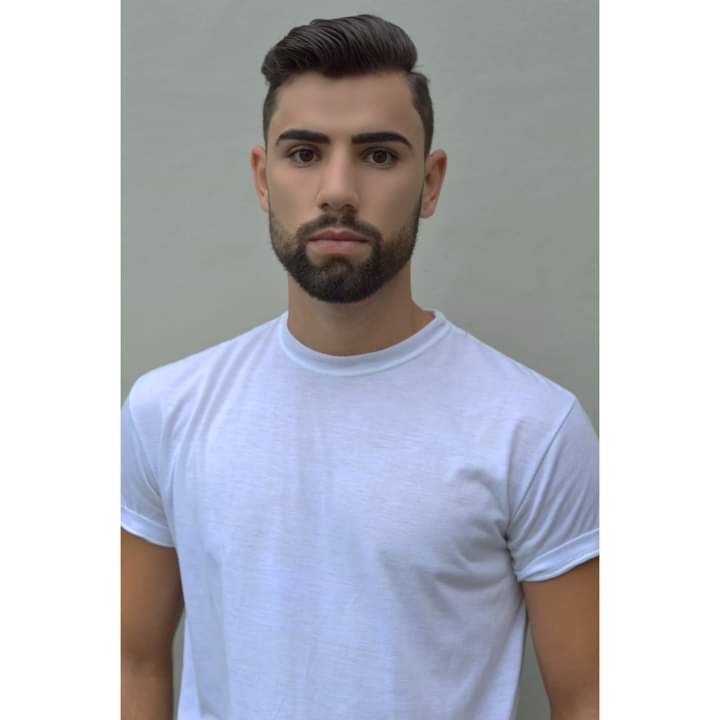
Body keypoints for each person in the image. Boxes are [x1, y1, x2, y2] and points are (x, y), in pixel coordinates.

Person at [121, 14, 599, 720]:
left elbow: (590, 695)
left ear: (429, 183)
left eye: (378, 155)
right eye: (304, 153)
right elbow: (132, 662)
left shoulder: (533, 428)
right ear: (262, 178)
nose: (338, 190)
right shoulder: (165, 411)